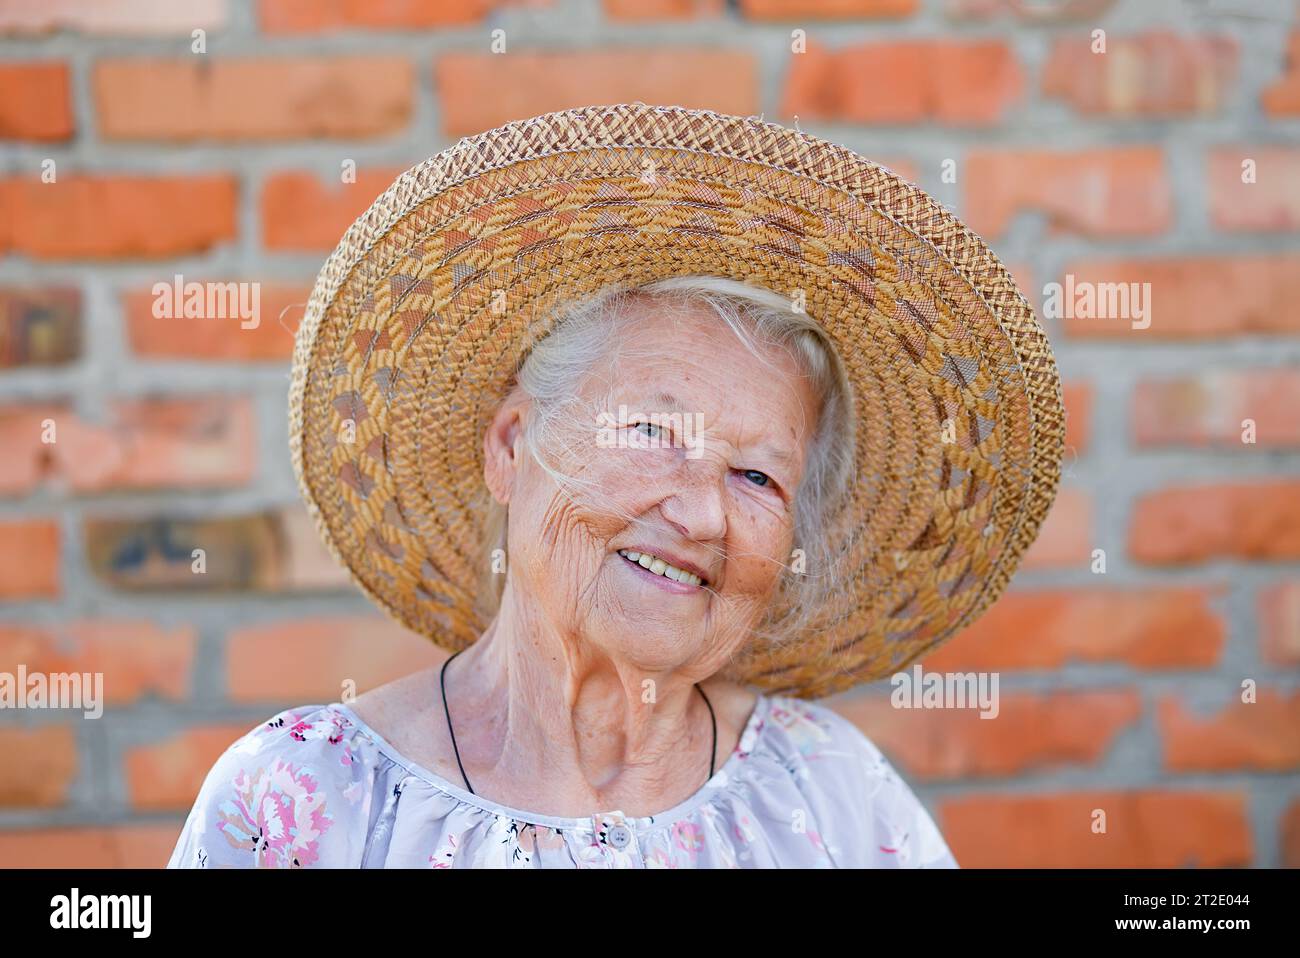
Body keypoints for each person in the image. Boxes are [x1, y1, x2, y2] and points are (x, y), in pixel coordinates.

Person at [168, 103, 1064, 869]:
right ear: (513, 445)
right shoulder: (298, 806)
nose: (704, 512)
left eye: (757, 476)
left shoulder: (834, 798)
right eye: (652, 433)